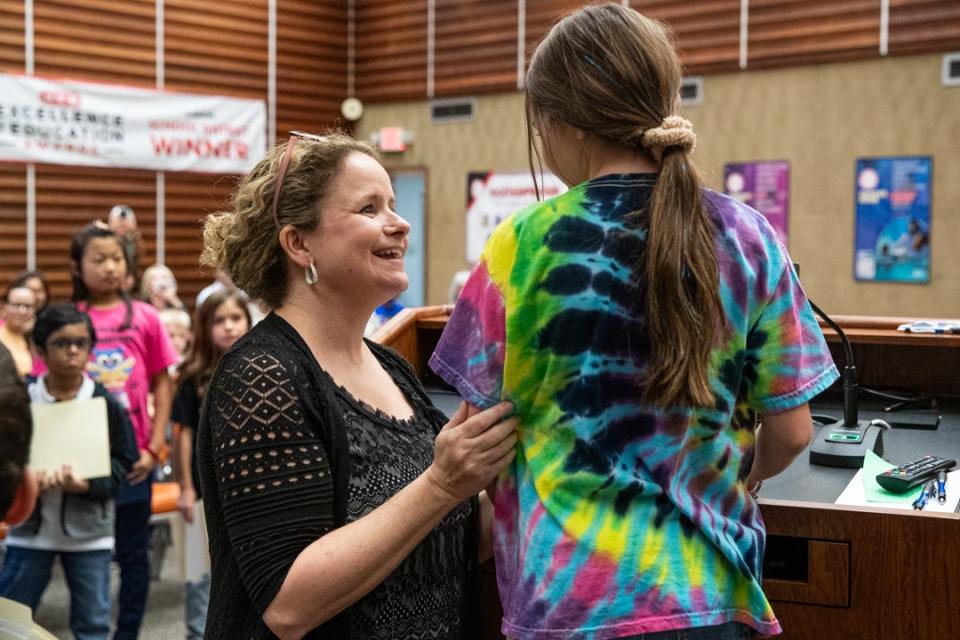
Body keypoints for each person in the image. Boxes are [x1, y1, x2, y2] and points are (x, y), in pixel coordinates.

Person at [428, 5, 840, 640]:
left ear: (562, 121)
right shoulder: (749, 236)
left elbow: (481, 431)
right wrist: (749, 478)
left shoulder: (518, 246)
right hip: (709, 594)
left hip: (567, 606)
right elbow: (790, 431)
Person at [197, 131, 518, 639]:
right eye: (369, 208)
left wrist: (507, 473)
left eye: (392, 204)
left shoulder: (392, 367)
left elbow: (452, 537)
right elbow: (288, 605)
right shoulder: (261, 376)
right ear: (299, 243)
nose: (401, 223)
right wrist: (441, 484)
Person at [69, 222, 180, 640]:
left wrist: (155, 447)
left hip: (135, 459)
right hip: (84, 460)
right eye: (98, 260)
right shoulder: (69, 319)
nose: (110, 267)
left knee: (134, 556)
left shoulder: (146, 317)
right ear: (78, 267)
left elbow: (163, 381)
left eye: (116, 258)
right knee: (88, 555)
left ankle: (127, 634)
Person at [0, 304, 137, 640]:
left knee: (92, 625)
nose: (74, 350)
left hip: (90, 535)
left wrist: (89, 485)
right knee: (10, 620)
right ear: (40, 349)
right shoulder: (21, 397)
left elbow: (124, 462)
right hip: (29, 533)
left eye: (82, 342)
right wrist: (25, 480)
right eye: (62, 343)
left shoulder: (106, 404)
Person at [171, 288, 251, 640]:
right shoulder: (192, 377)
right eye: (219, 321)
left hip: (246, 489)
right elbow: (182, 435)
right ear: (205, 328)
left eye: (236, 319)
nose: (229, 327)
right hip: (204, 490)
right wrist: (186, 487)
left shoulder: (259, 370)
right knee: (200, 571)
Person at [0, 284, 38, 378]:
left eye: (28, 306)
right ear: (4, 306)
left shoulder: (39, 337)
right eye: (16, 305)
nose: (22, 311)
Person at [108, 205, 142, 294]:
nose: (122, 224)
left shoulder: (135, 242)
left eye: (125, 222)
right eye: (118, 222)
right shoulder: (106, 242)